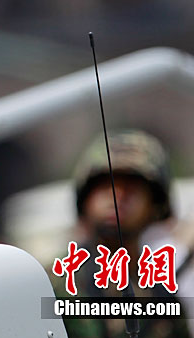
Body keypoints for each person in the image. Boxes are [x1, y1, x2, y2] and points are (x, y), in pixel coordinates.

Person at [51, 129, 190, 338]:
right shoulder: (52, 284)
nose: (117, 196)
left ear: (155, 205)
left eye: (132, 187)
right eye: (104, 185)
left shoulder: (163, 297)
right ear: (85, 199)